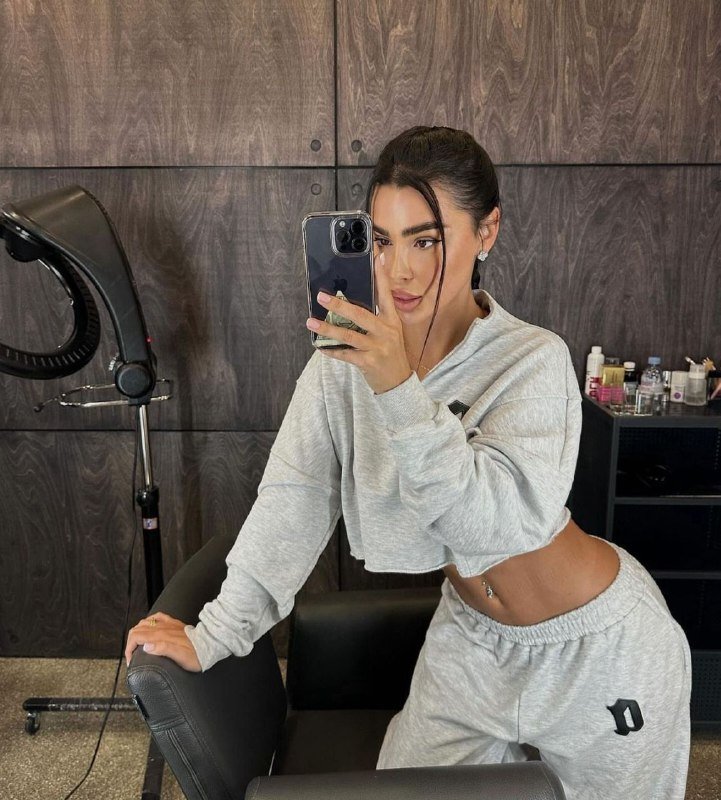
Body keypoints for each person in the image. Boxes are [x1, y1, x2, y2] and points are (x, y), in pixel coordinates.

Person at [125, 126, 691, 799]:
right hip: (473, 640)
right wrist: (215, 634)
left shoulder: (531, 360)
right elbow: (294, 499)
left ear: (486, 231)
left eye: (426, 240)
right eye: (383, 240)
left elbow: (492, 527)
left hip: (597, 647)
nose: (399, 270)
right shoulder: (343, 363)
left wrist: (397, 388)